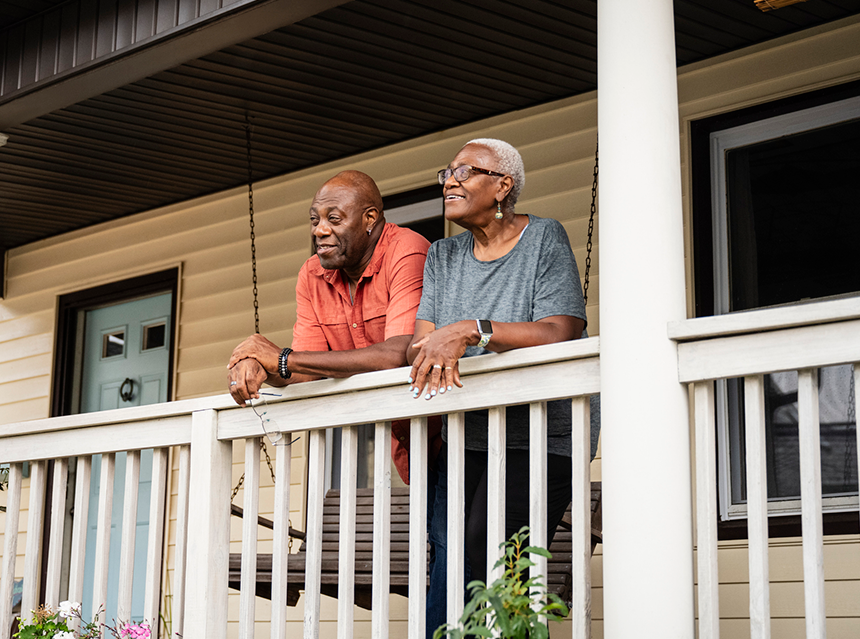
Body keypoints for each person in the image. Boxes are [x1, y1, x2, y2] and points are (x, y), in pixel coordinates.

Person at [407, 139, 600, 636]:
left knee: (490, 551)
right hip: (467, 434)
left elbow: (561, 330)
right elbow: (421, 345)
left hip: (542, 435)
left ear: (502, 186)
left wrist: (474, 329)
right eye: (446, 172)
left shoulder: (543, 239)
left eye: (465, 172)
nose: (449, 181)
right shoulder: (443, 256)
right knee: (458, 561)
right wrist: (441, 343)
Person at [226, 170, 440, 482]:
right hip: (405, 443)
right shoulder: (312, 274)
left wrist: (283, 359)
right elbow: (307, 367)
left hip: (451, 429)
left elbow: (398, 355)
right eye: (315, 220)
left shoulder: (406, 250)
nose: (320, 230)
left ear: (370, 219)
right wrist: (262, 366)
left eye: (334, 219)